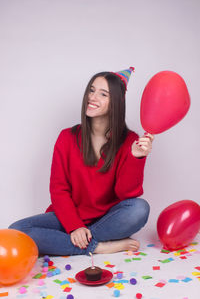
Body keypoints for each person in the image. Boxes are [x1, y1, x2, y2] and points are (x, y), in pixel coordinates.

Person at [9, 67, 154, 256]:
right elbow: (59, 188)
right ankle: (97, 246)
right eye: (91, 90)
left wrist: (136, 157)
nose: (92, 97)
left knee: (140, 208)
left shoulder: (129, 140)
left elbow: (126, 193)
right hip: (69, 216)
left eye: (103, 94)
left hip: (107, 219)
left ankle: (71, 242)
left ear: (117, 103)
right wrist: (75, 226)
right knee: (17, 230)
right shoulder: (67, 137)